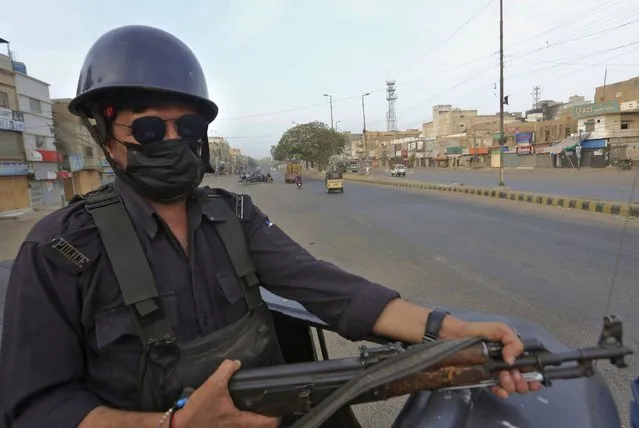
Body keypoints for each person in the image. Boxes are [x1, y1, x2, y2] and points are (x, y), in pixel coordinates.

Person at [0, 25, 541, 428]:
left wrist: (455, 333)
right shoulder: (60, 249)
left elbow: (337, 294)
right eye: (147, 126)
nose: (171, 140)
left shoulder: (235, 217)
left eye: (186, 125)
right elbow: (37, 405)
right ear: (105, 135)